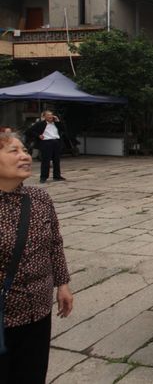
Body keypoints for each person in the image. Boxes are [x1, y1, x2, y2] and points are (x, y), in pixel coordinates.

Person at [0, 132, 73, 383]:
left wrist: (62, 284)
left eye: (25, 150)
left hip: (38, 313)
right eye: (14, 151)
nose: (25, 156)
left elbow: (54, 243)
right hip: (4, 317)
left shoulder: (39, 198)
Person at [26, 111, 66, 183]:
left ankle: (57, 176)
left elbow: (64, 129)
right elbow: (29, 131)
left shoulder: (56, 123)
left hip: (56, 142)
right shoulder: (40, 124)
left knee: (56, 160)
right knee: (46, 161)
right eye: (48, 115)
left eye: (51, 115)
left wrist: (58, 121)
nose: (50, 116)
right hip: (46, 142)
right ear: (44, 117)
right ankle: (43, 177)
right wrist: (38, 135)